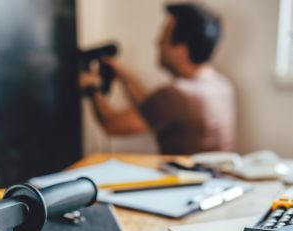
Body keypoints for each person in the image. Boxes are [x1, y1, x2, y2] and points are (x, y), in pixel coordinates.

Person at [80, 3, 235, 155]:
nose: (157, 43)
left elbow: (111, 125)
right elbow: (151, 109)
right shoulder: (221, 85)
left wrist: (93, 88)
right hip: (214, 179)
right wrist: (123, 75)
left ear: (182, 51)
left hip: (186, 179)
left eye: (164, 38)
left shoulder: (175, 96)